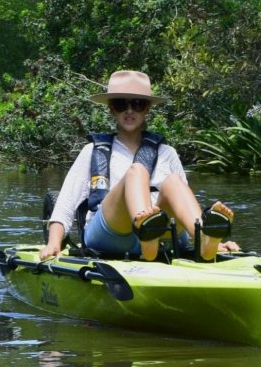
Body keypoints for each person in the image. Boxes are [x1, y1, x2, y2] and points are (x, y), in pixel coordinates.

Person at [40, 70, 240, 262]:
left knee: (174, 181)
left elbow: (183, 204)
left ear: (146, 108)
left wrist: (219, 244)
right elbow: (65, 205)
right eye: (121, 104)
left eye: (137, 104)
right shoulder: (92, 151)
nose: (129, 110)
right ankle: (145, 233)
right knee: (135, 172)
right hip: (112, 234)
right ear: (111, 108)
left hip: (164, 236)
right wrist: (54, 243)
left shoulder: (166, 152)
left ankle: (203, 239)